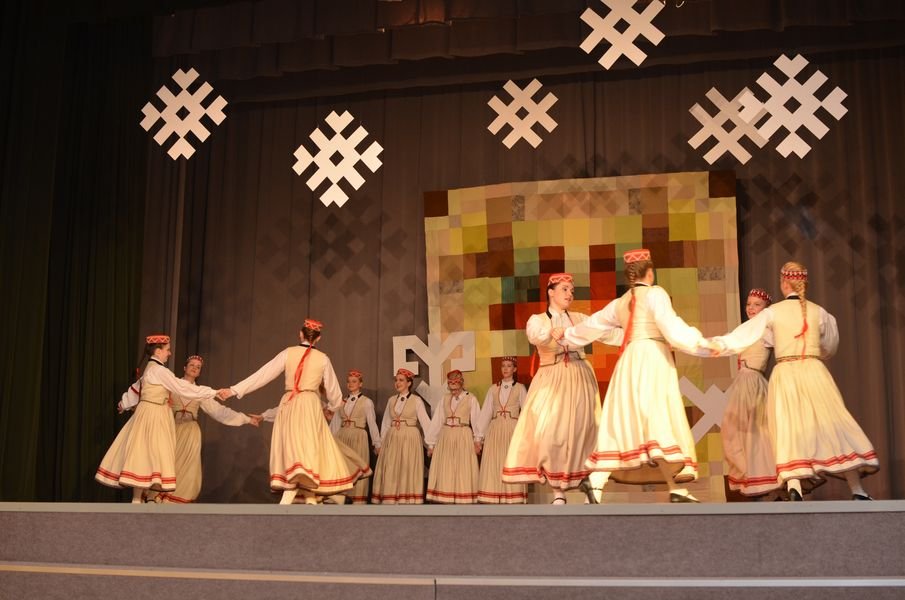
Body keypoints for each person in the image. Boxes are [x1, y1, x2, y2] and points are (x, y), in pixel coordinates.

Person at [710, 262, 879, 500]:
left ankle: (794, 487)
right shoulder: (819, 312)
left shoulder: (772, 312)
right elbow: (829, 347)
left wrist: (713, 345)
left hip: (786, 373)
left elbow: (745, 335)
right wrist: (810, 355)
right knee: (833, 424)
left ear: (784, 283)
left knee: (788, 429)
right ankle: (857, 490)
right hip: (814, 371)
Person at [562, 250, 714, 503]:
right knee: (656, 420)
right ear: (650, 272)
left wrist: (567, 335)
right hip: (652, 358)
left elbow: (594, 325)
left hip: (629, 361)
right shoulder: (655, 293)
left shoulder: (621, 301)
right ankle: (602, 481)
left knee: (632, 423)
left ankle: (606, 482)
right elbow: (672, 326)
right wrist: (702, 344)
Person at [219, 319, 371, 505]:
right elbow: (335, 395)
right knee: (308, 448)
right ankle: (309, 497)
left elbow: (263, 374)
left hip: (290, 404)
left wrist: (234, 390)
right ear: (319, 338)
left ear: (300, 334)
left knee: (294, 448)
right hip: (309, 405)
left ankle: (304, 496)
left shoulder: (288, 353)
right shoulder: (323, 358)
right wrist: (331, 408)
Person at [502, 273, 601, 505]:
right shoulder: (538, 320)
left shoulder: (579, 318)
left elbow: (602, 328)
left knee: (583, 429)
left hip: (579, 376)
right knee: (550, 432)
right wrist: (550, 332)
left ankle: (589, 486)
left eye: (571, 290)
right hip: (550, 377)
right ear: (551, 292)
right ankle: (558, 491)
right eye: (564, 289)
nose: (570, 294)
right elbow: (534, 336)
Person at [117, 355, 262, 503]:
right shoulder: (172, 384)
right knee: (164, 463)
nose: (194, 368)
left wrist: (246, 419)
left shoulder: (201, 392)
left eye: (198, 367)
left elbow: (219, 412)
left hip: (190, 434)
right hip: (170, 430)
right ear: (185, 367)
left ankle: (173, 502)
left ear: (199, 372)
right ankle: (154, 498)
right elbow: (148, 390)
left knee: (186, 469)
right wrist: (127, 404)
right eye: (192, 365)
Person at [96, 335, 220, 503]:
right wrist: (213, 392)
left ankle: (139, 499)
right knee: (149, 452)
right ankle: (139, 499)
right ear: (158, 351)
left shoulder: (151, 368)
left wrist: (124, 403)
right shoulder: (160, 371)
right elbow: (181, 387)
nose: (169, 353)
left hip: (151, 413)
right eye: (167, 350)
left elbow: (137, 388)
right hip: (153, 414)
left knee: (145, 452)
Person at [720, 289, 781, 498]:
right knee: (737, 431)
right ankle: (753, 478)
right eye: (749, 304)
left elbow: (782, 344)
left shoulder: (766, 331)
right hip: (742, 382)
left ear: (766, 310)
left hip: (752, 382)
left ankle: (764, 481)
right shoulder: (746, 329)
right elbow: (726, 343)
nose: (751, 308)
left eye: (757, 305)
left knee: (757, 433)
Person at [371, 368, 432, 504]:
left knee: (407, 467)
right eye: (396, 380)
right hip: (393, 438)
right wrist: (380, 443)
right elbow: (386, 423)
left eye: (401, 380)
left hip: (409, 437)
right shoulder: (391, 400)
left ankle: (407, 499)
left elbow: (425, 422)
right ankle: (391, 498)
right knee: (392, 467)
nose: (397, 383)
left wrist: (431, 444)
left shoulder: (416, 400)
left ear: (409, 383)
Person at [425, 370, 482, 504]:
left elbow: (477, 420)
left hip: (463, 434)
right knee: (446, 467)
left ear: (461, 384)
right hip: (446, 436)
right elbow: (437, 420)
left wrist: (477, 441)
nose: (453, 392)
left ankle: (463, 498)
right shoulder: (445, 399)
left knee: (462, 467)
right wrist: (431, 444)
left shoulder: (471, 398)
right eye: (451, 389)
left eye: (456, 388)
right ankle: (446, 497)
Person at [477, 357, 528, 504]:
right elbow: (486, 412)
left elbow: (526, 411)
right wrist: (479, 437)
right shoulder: (493, 389)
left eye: (509, 366)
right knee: (494, 461)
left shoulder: (520, 388)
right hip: (495, 429)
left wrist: (526, 435)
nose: (505, 369)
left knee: (510, 460)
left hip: (512, 429)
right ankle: (494, 494)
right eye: (503, 366)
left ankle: (513, 496)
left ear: (514, 369)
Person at [329, 369, 381, 504]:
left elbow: (372, 423)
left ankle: (358, 499)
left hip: (358, 437)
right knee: (342, 466)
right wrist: (329, 440)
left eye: (354, 381)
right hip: (342, 436)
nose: (351, 384)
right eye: (349, 381)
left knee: (358, 464)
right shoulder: (341, 402)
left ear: (360, 384)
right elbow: (335, 423)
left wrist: (377, 443)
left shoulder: (366, 402)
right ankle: (341, 496)